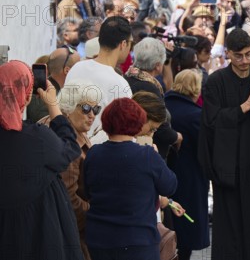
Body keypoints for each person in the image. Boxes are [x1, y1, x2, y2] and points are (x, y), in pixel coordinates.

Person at [0, 61, 83, 260]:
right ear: (27, 95)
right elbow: (70, 149)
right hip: (40, 236)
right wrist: (53, 105)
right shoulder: (38, 139)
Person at [199, 28, 250, 260]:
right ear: (227, 53)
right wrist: (245, 106)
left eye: (249, 54)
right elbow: (211, 121)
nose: (245, 61)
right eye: (238, 56)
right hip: (228, 167)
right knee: (229, 225)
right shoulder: (216, 81)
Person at [84, 98, 178, 260]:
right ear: (138, 122)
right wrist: (157, 157)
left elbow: (87, 191)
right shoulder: (147, 155)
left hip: (100, 239)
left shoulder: (94, 153)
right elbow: (170, 186)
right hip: (138, 240)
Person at [38, 79, 101, 260]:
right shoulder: (67, 140)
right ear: (67, 107)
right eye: (86, 109)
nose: (92, 115)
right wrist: (96, 212)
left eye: (96, 109)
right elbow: (69, 201)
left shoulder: (57, 124)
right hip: (69, 237)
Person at [164, 70, 210, 260]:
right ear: (196, 89)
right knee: (187, 230)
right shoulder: (195, 115)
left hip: (165, 174)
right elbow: (206, 149)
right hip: (190, 177)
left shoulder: (164, 105)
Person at [65, 16, 134, 135]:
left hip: (69, 142)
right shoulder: (120, 84)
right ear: (123, 44)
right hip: (97, 149)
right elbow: (123, 131)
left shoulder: (76, 68)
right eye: (130, 43)